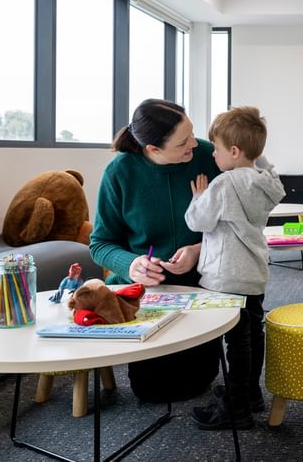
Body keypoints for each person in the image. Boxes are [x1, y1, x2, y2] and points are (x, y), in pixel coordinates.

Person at [89, 98, 221, 403]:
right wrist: (131, 264)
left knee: (199, 381)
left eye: (191, 134)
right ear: (153, 149)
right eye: (183, 142)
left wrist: (199, 249)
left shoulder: (208, 156)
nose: (193, 144)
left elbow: (239, 224)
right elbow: (101, 244)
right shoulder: (119, 172)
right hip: (149, 293)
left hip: (203, 283)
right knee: (151, 390)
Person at [183, 106, 285, 430]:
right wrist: (257, 156)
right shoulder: (266, 183)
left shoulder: (223, 184)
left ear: (235, 151)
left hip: (226, 275)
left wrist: (198, 197)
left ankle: (235, 408)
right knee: (253, 334)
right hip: (253, 273)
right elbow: (274, 176)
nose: (213, 154)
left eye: (217, 148)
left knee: (236, 343)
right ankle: (250, 393)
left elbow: (197, 221)